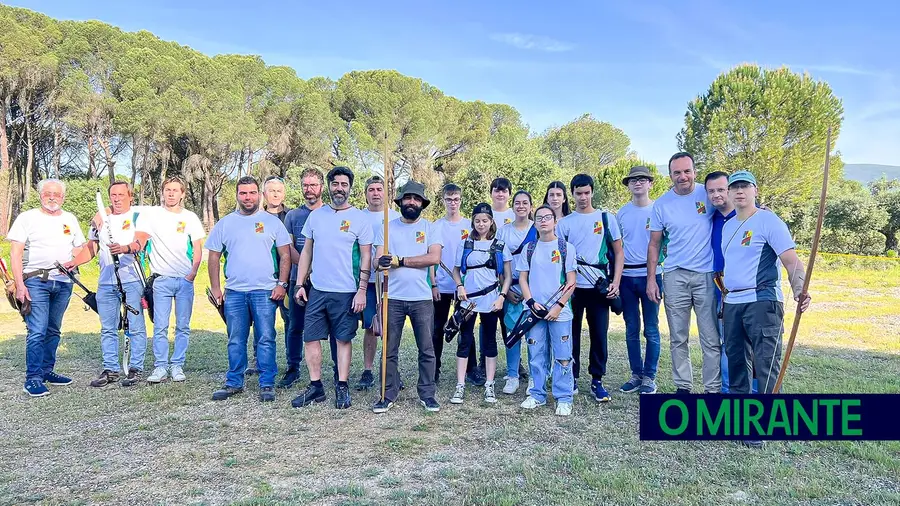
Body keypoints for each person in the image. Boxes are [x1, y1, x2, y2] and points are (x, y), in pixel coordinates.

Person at [720, 171, 811, 446]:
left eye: (744, 186)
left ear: (755, 190)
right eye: (734, 187)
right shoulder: (727, 226)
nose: (739, 191)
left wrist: (799, 289)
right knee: (736, 361)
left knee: (765, 362)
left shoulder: (769, 221)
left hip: (763, 301)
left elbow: (792, 261)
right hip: (732, 302)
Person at [292, 166, 373, 410]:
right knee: (311, 338)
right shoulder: (316, 216)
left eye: (344, 184)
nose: (339, 188)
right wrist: (299, 283)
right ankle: (316, 386)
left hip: (346, 291)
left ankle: (342, 386)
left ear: (350, 188)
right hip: (317, 289)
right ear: (329, 186)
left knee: (343, 339)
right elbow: (307, 250)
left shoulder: (360, 218)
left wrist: (361, 290)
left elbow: (367, 256)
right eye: (335, 184)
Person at [206, 176, 292, 402]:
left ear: (259, 195)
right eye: (243, 193)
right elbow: (213, 256)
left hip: (265, 291)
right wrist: (216, 288)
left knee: (266, 337)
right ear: (237, 195)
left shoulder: (273, 223)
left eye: (252, 192)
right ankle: (234, 381)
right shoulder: (225, 223)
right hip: (234, 292)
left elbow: (285, 255)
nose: (248, 197)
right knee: (236, 339)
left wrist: (282, 284)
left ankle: (267, 383)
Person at [647, 152, 721, 394]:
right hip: (675, 275)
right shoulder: (662, 204)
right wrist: (651, 279)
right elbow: (654, 244)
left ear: (694, 172)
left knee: (710, 337)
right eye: (677, 172)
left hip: (706, 275)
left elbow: (734, 211)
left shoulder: (707, 194)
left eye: (687, 171)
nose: (683, 176)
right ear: (670, 175)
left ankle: (712, 388)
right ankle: (683, 386)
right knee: (678, 337)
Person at [66, 181, 149, 388]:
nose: (117, 198)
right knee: (108, 328)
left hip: (132, 279)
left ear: (130, 196)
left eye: (122, 194)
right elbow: (91, 248)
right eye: (113, 195)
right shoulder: (100, 219)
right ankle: (111, 369)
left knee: (136, 326)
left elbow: (141, 243)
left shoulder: (140, 216)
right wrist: (74, 262)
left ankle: (135, 368)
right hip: (106, 281)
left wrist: (125, 248)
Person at [9, 179, 86, 397]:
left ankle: (46, 371)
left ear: (63, 197)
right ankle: (32, 378)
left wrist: (74, 263)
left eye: (57, 194)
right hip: (35, 281)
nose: (52, 197)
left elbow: (80, 248)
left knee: (53, 329)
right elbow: (15, 253)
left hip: (63, 282)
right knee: (37, 330)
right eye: (48, 193)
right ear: (40, 195)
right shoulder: (27, 218)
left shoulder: (70, 218)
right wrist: (19, 284)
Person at [371, 181, 442, 413]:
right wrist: (380, 262)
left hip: (421, 298)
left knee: (427, 349)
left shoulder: (431, 228)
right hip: (392, 297)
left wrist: (401, 261)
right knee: (389, 349)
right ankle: (387, 394)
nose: (412, 202)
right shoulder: (387, 227)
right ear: (400, 201)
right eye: (408, 198)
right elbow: (377, 259)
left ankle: (427, 394)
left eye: (416, 199)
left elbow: (433, 258)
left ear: (422, 203)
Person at [131, 176, 205, 384]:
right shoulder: (152, 214)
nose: (171, 193)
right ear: (162, 192)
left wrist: (192, 274)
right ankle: (160, 366)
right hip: (161, 280)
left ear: (182, 193)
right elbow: (126, 211)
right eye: (167, 190)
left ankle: (177, 365)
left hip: (184, 280)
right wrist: (106, 214)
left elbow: (198, 247)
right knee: (160, 325)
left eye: (175, 190)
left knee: (182, 325)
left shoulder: (190, 217)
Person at [557, 174, 623, 402]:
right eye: (578, 193)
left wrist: (615, 281)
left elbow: (618, 252)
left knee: (599, 334)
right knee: (570, 334)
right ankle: (571, 378)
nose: (583, 197)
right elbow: (560, 257)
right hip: (573, 288)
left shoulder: (606, 218)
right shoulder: (564, 223)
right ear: (572, 195)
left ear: (592, 192)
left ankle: (597, 380)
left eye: (587, 192)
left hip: (598, 286)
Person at [450, 203, 512, 404]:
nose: (481, 224)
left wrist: (502, 296)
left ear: (491, 221)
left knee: (489, 341)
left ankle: (490, 384)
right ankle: (460, 385)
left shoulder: (500, 245)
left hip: (491, 299)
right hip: (468, 300)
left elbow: (507, 276)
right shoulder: (465, 244)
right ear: (473, 222)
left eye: (485, 220)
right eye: (477, 220)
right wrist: (459, 286)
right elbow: (456, 269)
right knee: (465, 340)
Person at [518, 205, 577, 415]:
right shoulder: (529, 249)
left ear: (555, 221)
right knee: (536, 353)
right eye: (539, 218)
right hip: (535, 312)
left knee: (562, 355)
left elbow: (571, 281)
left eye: (548, 217)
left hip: (560, 313)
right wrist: (531, 302)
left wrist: (559, 306)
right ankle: (537, 394)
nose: (543, 221)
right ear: (535, 223)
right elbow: (522, 278)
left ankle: (564, 397)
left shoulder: (565, 248)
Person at [616, 166, 662, 395]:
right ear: (628, 185)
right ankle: (636, 374)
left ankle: (649, 377)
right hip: (627, 277)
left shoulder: (658, 210)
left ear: (650, 183)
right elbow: (617, 248)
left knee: (651, 329)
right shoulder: (622, 213)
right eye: (633, 180)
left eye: (643, 179)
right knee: (631, 328)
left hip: (652, 275)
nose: (638, 183)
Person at [431, 184, 482, 385]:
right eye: (449, 199)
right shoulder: (436, 226)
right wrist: (433, 284)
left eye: (456, 199)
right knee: (437, 328)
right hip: (442, 286)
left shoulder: (470, 226)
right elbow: (432, 258)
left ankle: (472, 369)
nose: (453, 203)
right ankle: (434, 369)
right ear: (443, 201)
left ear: (461, 201)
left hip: (464, 288)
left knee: (466, 329)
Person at [278, 168, 325, 389]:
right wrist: (305, 270)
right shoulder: (293, 216)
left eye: (313, 185)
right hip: (298, 281)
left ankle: (334, 373)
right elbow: (289, 248)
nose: (309, 189)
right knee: (294, 326)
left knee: (330, 331)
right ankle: (293, 368)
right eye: (305, 185)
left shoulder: (330, 214)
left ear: (321, 187)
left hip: (325, 283)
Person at [245, 175, 292, 376]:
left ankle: (292, 361)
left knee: (290, 321)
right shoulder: (252, 217)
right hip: (261, 281)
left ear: (284, 193)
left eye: (279, 190)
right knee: (261, 322)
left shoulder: (291, 216)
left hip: (287, 280)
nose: (275, 194)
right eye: (271, 190)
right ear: (263, 194)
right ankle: (258, 360)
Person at [358, 175, 400, 391]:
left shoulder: (394, 218)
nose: (375, 193)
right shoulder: (358, 217)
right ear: (365, 193)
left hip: (392, 281)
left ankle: (392, 370)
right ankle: (368, 369)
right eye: (371, 189)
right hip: (369, 281)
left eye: (379, 189)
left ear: (386, 193)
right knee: (371, 327)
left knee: (391, 327)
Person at [496, 190, 535, 394]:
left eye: (525, 202)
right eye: (517, 203)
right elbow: (498, 263)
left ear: (531, 206)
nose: (521, 206)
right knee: (512, 334)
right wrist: (505, 289)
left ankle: (534, 378)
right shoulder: (503, 231)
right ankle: (512, 376)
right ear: (513, 206)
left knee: (533, 335)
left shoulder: (538, 228)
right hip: (512, 290)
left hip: (534, 290)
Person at [705, 171, 734, 394]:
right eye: (711, 191)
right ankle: (726, 392)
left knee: (751, 346)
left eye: (721, 189)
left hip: (749, 291)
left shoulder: (751, 215)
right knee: (725, 343)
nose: (716, 195)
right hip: (720, 290)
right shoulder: (710, 217)